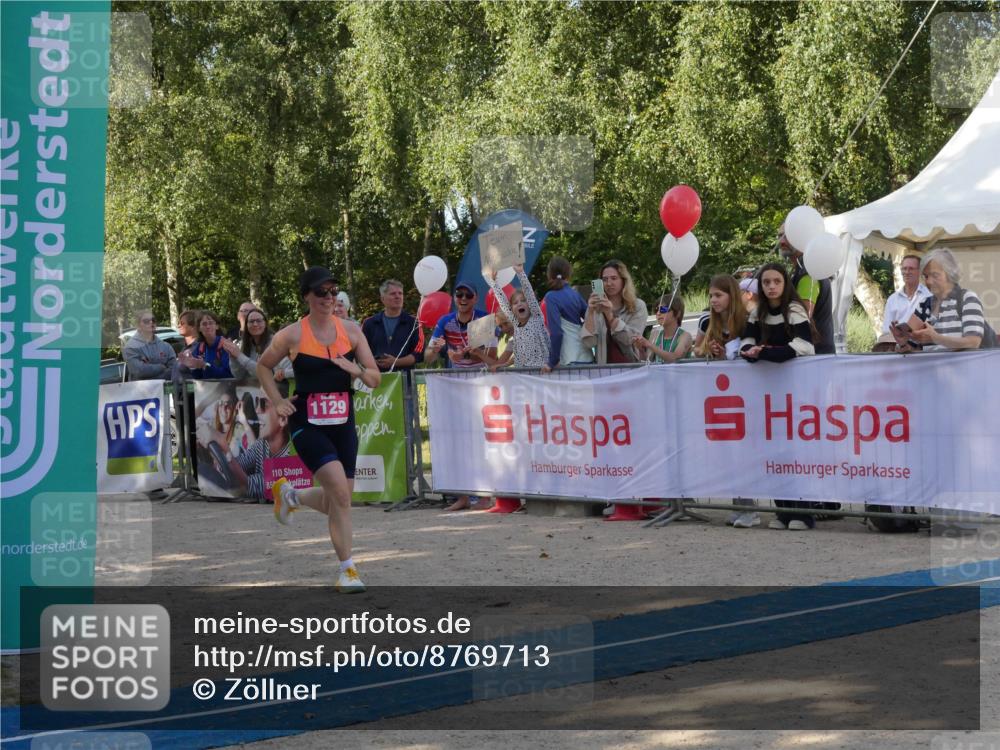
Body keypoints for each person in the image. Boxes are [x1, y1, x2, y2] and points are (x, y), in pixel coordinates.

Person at [257, 266, 381, 593]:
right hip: (307, 422)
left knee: (337, 500)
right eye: (321, 292)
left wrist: (353, 368)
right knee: (340, 494)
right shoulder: (292, 334)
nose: (329, 298)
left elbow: (374, 378)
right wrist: (277, 401)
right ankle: (348, 571)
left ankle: (291, 495)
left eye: (332, 291)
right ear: (307, 296)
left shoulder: (352, 331)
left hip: (343, 422)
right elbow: (263, 366)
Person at [740, 262, 818, 531]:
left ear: (785, 284)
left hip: (795, 390)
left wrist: (764, 352)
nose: (771, 286)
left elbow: (804, 346)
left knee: (795, 453)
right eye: (766, 282)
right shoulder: (757, 313)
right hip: (768, 393)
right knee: (773, 452)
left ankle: (803, 514)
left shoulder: (795, 310)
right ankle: (782, 511)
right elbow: (746, 342)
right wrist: (751, 352)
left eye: (776, 281)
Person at [892, 247, 986, 352]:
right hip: (930, 368)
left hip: (963, 368)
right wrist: (902, 343)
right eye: (926, 276)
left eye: (935, 275)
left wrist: (937, 338)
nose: (929, 282)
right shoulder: (924, 304)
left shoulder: (967, 299)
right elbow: (911, 348)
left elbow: (973, 342)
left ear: (950, 273)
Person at [779, 224, 835, 354]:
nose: (781, 241)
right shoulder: (799, 270)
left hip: (815, 357)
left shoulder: (809, 273)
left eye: (787, 236)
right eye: (779, 236)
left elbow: (803, 317)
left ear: (802, 238)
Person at [581, 259, 648, 364]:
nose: (609, 283)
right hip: (604, 371)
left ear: (623, 280)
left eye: (614, 278)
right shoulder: (595, 307)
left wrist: (609, 315)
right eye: (604, 279)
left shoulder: (638, 306)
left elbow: (629, 339)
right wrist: (590, 312)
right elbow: (589, 343)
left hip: (630, 368)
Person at [486, 264, 550, 369]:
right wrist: (494, 282)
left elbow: (529, 293)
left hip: (540, 373)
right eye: (515, 303)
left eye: (523, 301)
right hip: (523, 374)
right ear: (512, 309)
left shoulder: (536, 318)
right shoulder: (516, 325)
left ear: (530, 304)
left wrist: (520, 273)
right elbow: (503, 304)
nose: (520, 304)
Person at [424, 281, 498, 370]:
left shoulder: (484, 319)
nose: (463, 298)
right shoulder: (444, 321)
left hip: (482, 376)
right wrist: (434, 351)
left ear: (476, 298)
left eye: (469, 295)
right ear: (454, 297)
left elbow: (492, 357)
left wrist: (465, 355)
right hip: (457, 377)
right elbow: (427, 358)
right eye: (459, 294)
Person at [362, 279, 425, 372]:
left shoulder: (414, 323)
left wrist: (395, 362)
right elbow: (361, 352)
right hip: (376, 380)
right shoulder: (370, 323)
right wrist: (372, 361)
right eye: (393, 294)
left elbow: (419, 354)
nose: (398, 296)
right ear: (382, 299)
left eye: (400, 293)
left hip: (405, 381)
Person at [542, 256, 592, 368]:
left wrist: (552, 362)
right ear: (569, 274)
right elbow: (590, 318)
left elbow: (556, 333)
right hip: (587, 356)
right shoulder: (575, 294)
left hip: (569, 359)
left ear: (549, 275)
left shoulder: (551, 297)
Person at [223, 309, 293, 385]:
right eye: (251, 321)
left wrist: (239, 356)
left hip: (282, 391)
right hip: (256, 392)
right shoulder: (245, 345)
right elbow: (239, 376)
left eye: (259, 321)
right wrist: (233, 357)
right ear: (246, 325)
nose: (255, 324)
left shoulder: (275, 343)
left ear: (265, 323)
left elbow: (266, 373)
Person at [694, 275, 747, 360]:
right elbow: (696, 350)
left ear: (732, 296)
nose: (712, 300)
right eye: (711, 296)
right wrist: (707, 350)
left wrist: (726, 356)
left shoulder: (747, 321)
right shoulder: (705, 320)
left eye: (718, 295)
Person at [634, 294, 692, 363]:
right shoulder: (655, 334)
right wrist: (641, 349)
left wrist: (649, 344)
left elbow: (675, 358)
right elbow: (647, 361)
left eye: (663, 309)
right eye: (656, 310)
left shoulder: (685, 336)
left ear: (678, 313)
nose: (658, 313)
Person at [882, 254, 930, 335]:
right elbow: (887, 330)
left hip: (923, 345)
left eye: (911, 269)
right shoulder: (892, 299)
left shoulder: (928, 296)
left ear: (920, 271)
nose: (907, 272)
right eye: (904, 268)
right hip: (897, 345)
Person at [179, 311, 234, 379]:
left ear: (217, 326)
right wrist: (193, 367)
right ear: (199, 328)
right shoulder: (199, 348)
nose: (208, 326)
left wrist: (205, 366)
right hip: (206, 388)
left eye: (211, 323)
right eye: (204, 324)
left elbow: (229, 374)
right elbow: (198, 378)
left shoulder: (226, 345)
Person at [124, 310, 176, 380]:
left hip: (165, 389)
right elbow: (139, 371)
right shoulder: (130, 346)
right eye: (146, 321)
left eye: (153, 320)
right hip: (141, 390)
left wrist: (149, 369)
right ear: (138, 325)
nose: (151, 323)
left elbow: (174, 370)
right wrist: (161, 367)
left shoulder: (166, 346)